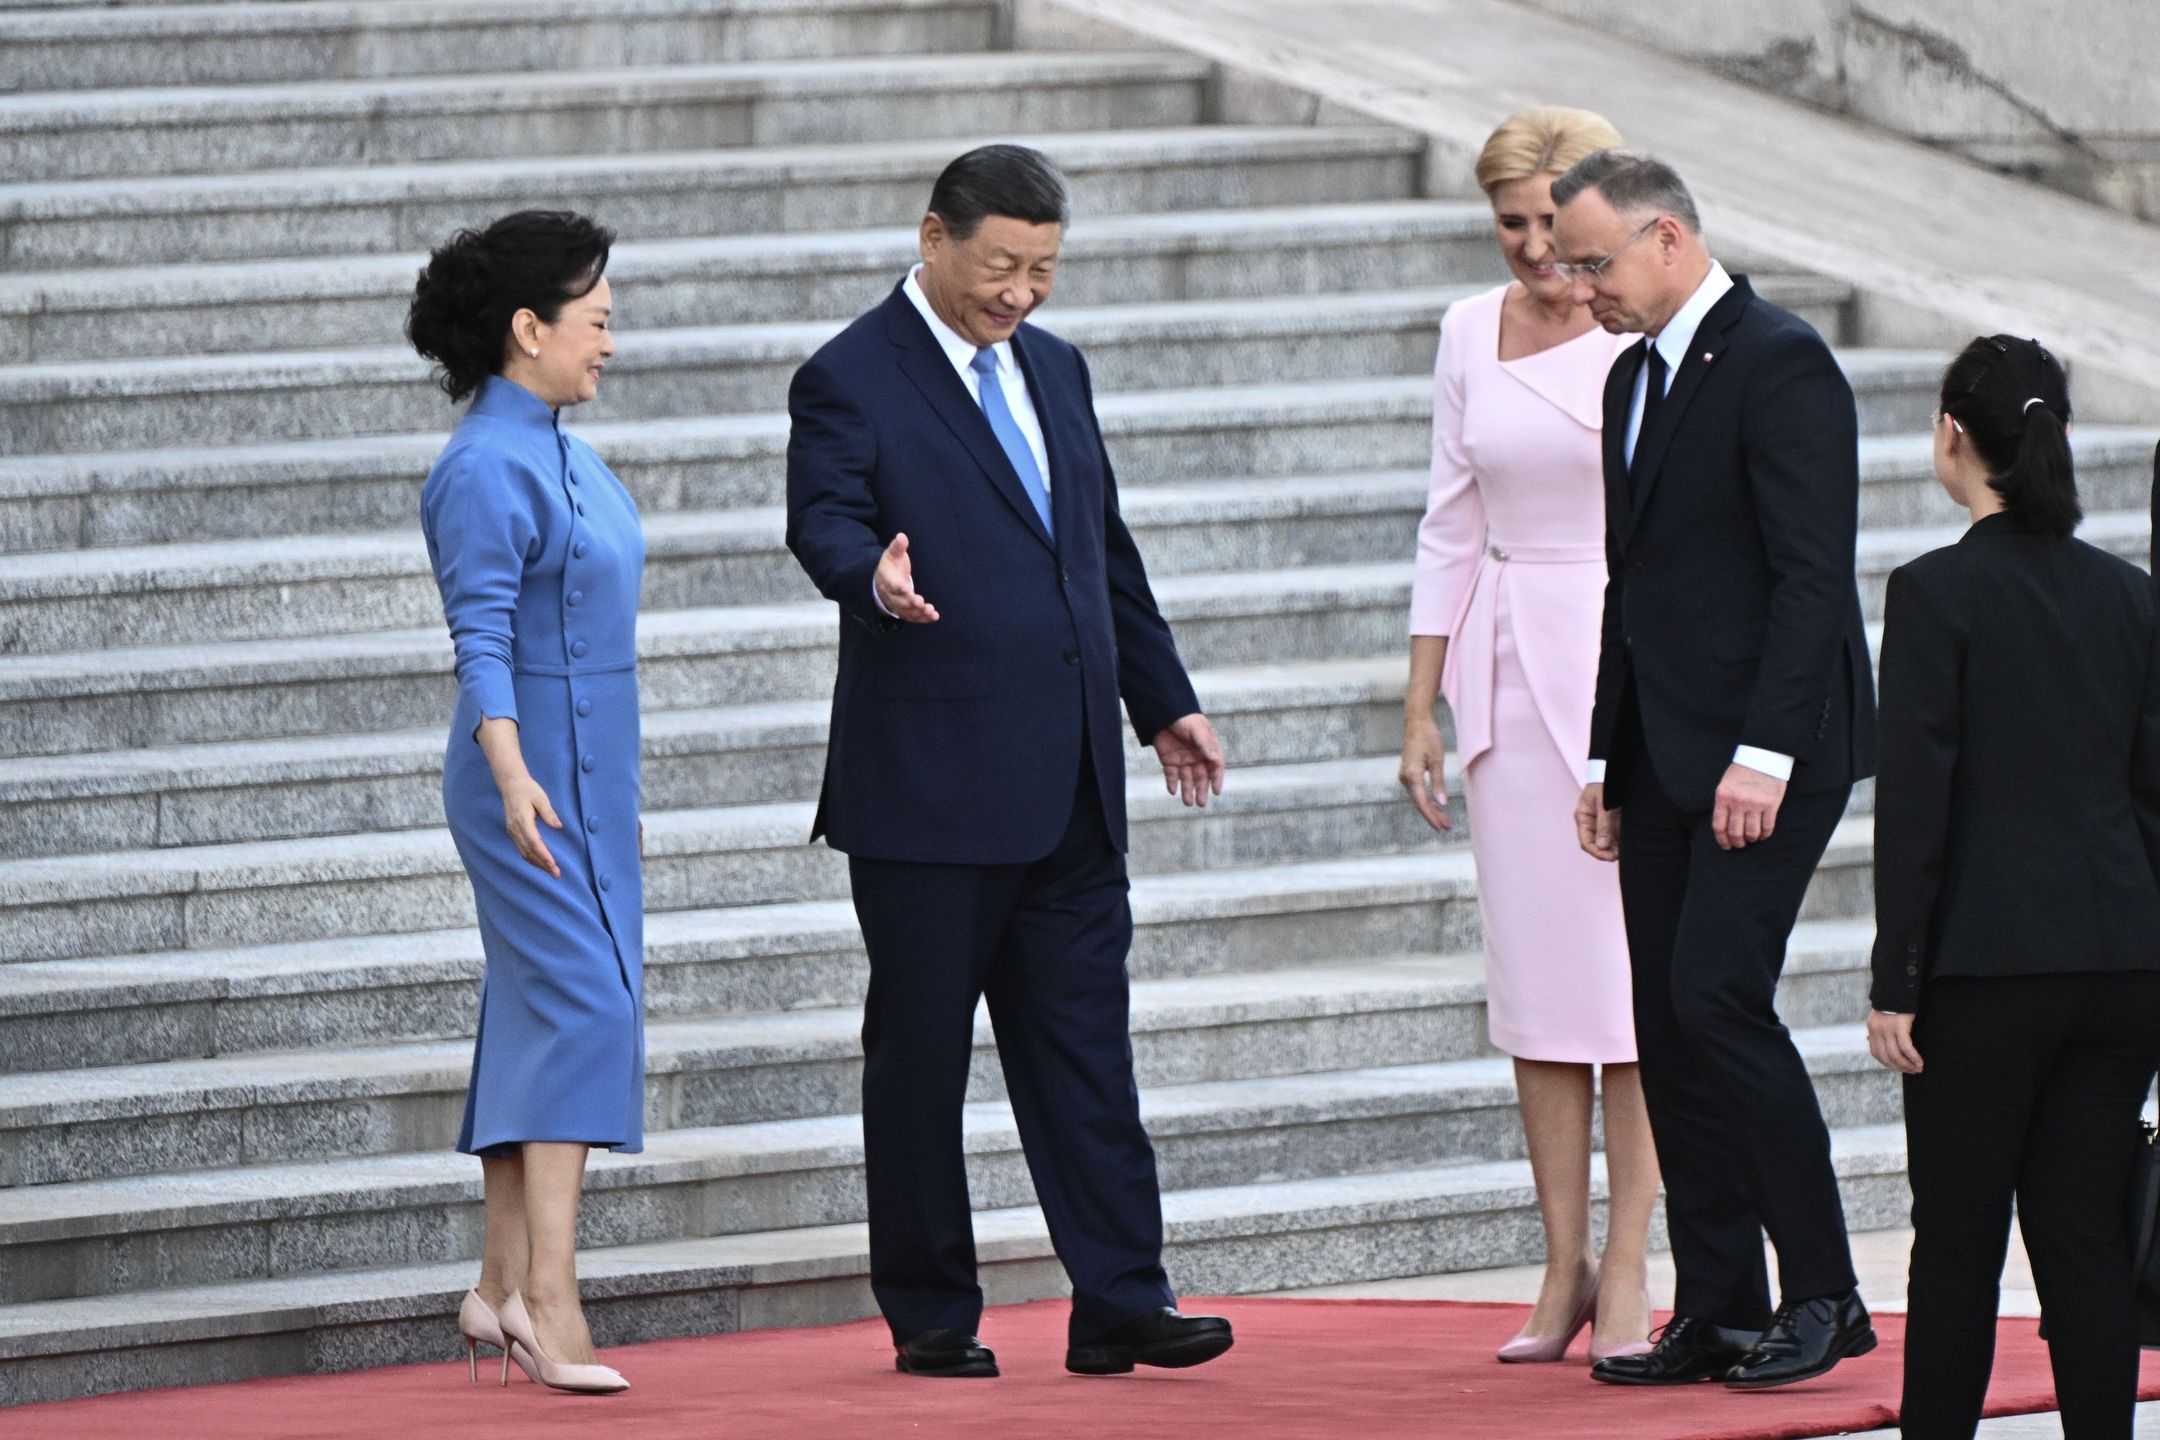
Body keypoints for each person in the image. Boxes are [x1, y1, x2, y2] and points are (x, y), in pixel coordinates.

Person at [784, 144, 1234, 1380]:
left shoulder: (1058, 368)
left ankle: (1122, 1298)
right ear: (935, 238)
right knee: (921, 1060)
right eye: (1001, 267)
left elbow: (1102, 551)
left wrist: (1164, 703)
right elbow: (820, 518)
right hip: (927, 788)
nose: (1021, 294)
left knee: (1089, 1049)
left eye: (1042, 270)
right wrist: (869, 577)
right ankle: (932, 1310)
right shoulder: (847, 378)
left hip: (1074, 784)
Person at [1553, 150, 1880, 1390]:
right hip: (1661, 747)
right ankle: (1725, 1304)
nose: (1578, 285)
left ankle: (1828, 1293)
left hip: (1764, 751)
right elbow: (1631, 583)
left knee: (1718, 1003)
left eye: (1596, 261)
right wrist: (1605, 750)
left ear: (1669, 240)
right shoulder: (1633, 374)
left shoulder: (1781, 360)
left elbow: (1811, 578)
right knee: (1667, 1025)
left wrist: (1764, 755)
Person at [1400, 105, 1658, 1365]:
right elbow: (1448, 522)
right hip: (1503, 675)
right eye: (1511, 224)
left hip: (1622, 668)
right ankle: (1559, 1266)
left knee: (1629, 993)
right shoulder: (1465, 330)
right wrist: (1420, 705)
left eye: (1555, 223)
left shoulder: (1643, 336)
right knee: (1542, 996)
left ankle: (1628, 1266)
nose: (1535, 248)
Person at [1868, 337, 2160, 1440]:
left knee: (1957, 1243)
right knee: (2084, 1242)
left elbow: (1919, 806)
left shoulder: (1935, 593)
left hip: (1985, 969)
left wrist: (1898, 974)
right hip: (2122, 963)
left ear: (1952, 435)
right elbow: (2153, 798)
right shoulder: (2129, 598)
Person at [409, 210, 641, 1396]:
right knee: (587, 1008)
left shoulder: (562, 444)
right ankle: (551, 1297)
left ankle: (496, 1287)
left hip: (597, 775)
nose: (610, 340)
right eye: (595, 320)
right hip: (528, 780)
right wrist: (510, 776)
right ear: (526, 328)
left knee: (540, 1017)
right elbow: (482, 639)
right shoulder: (482, 465)